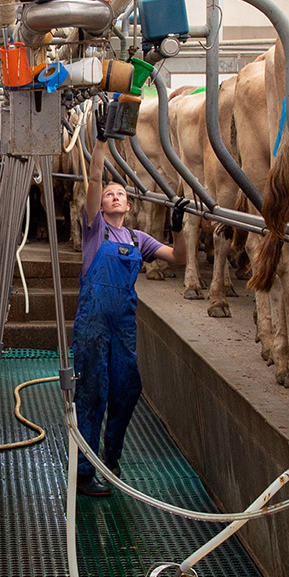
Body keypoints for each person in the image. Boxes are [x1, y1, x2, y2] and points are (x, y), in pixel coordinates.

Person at [74, 179, 185, 497]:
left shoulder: (139, 239)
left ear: (129, 204)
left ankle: (111, 455)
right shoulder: (95, 230)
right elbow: (94, 178)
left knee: (127, 388)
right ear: (102, 205)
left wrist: (177, 227)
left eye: (120, 193)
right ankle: (84, 472)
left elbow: (180, 257)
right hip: (93, 324)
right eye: (109, 194)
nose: (114, 196)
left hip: (122, 325)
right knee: (92, 394)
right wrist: (101, 142)